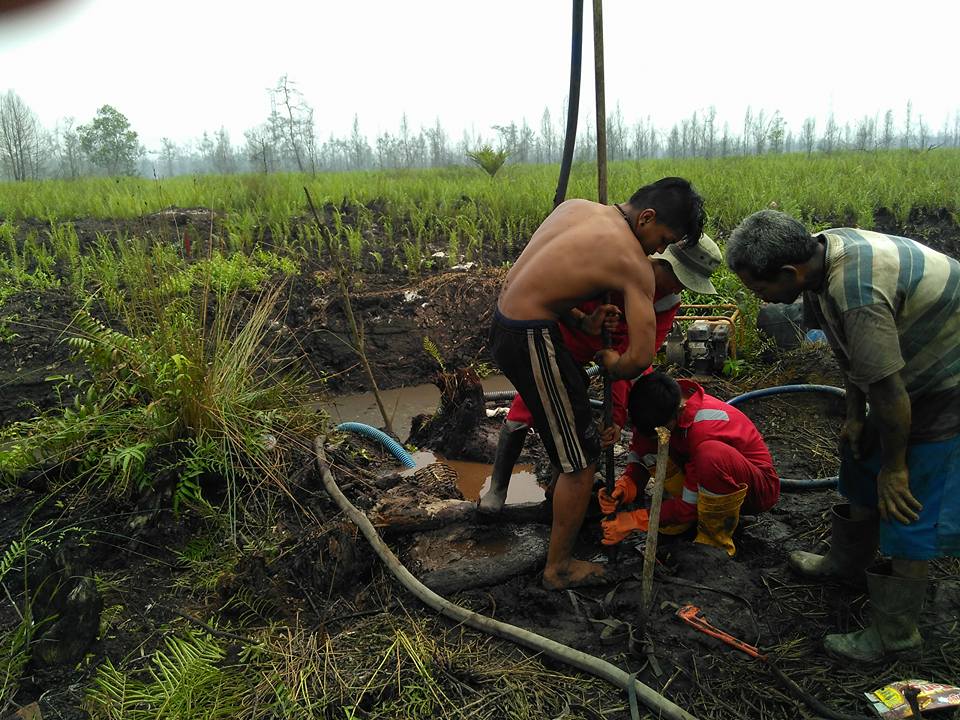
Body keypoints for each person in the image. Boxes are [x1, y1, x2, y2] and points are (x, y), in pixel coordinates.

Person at [725, 209, 960, 663]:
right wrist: (855, 413)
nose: (761, 299)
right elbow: (847, 347)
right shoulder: (820, 255)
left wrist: (894, 469)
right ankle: (847, 563)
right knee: (859, 452)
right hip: (905, 367)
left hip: (947, 377)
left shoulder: (855, 290)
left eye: (761, 289)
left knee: (910, 495)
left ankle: (896, 634)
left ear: (789, 273)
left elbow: (890, 391)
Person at [488, 176, 706, 590]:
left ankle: (555, 507)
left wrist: (582, 320)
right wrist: (613, 360)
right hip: (532, 336)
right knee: (582, 459)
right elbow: (639, 358)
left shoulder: (578, 208)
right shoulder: (633, 263)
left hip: (510, 322)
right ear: (647, 217)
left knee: (571, 437)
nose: (661, 249)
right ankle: (559, 567)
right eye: (664, 239)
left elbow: (536, 277)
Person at [479, 234, 723, 515]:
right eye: (678, 279)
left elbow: (637, 359)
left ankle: (558, 489)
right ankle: (498, 487)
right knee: (527, 406)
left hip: (617, 355)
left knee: (580, 420)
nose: (677, 287)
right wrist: (585, 321)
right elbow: (553, 296)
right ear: (662, 262)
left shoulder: (667, 302)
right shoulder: (610, 269)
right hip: (563, 339)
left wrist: (617, 417)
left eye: (684, 284)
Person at [599, 372, 779, 556]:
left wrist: (636, 519)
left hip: (756, 490)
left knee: (710, 456)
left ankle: (712, 545)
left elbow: (689, 505)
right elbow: (642, 450)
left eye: (661, 430)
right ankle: (685, 517)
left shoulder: (703, 429)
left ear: (680, 412)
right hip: (705, 479)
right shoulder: (658, 408)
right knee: (652, 440)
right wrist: (627, 485)